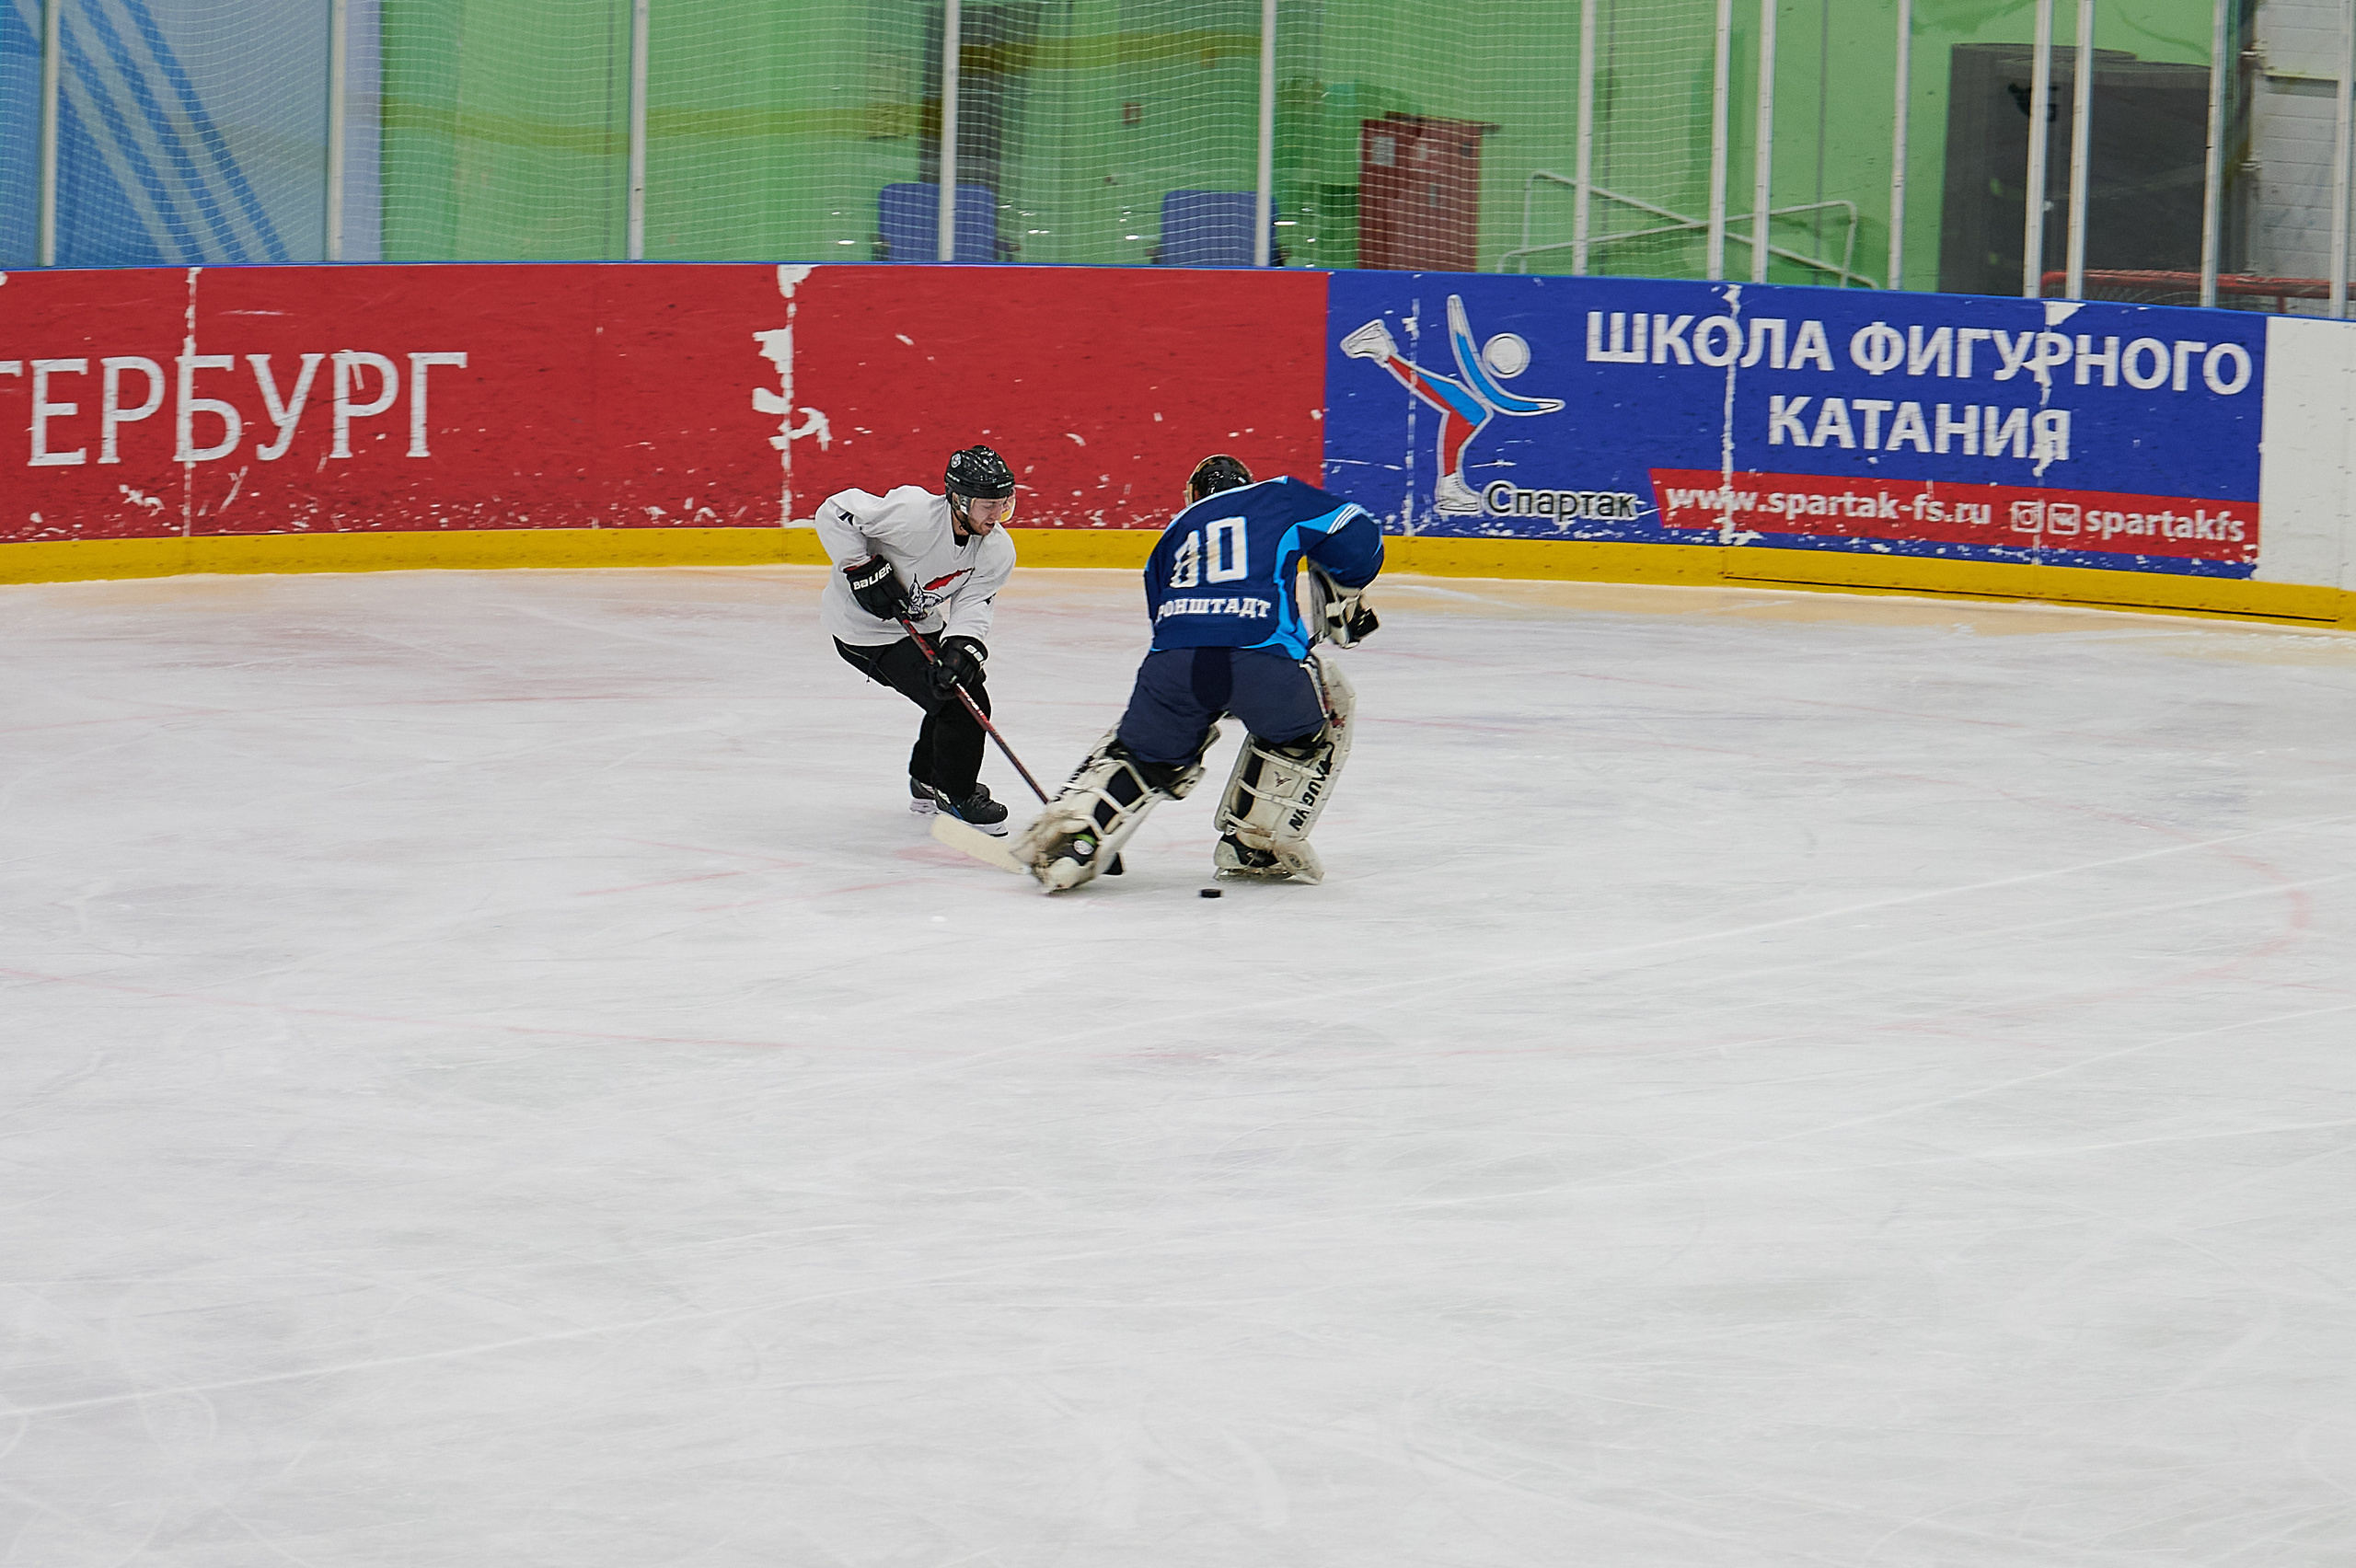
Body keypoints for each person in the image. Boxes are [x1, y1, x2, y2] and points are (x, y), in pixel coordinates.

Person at [1010, 454, 1383, 891]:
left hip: (1176, 664)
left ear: (1192, 495)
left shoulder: (1174, 532)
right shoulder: (1277, 496)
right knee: (1318, 718)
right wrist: (1345, 582)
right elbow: (1358, 532)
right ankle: (1256, 844)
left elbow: (1161, 614)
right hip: (1262, 660)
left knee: (1145, 756)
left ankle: (1075, 839)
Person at [820, 444, 1020, 834]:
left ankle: (928, 778)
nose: (996, 515)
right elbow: (835, 511)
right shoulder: (912, 515)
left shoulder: (996, 549)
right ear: (958, 500)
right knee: (963, 705)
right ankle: (955, 792)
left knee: (958, 684)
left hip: (919, 623)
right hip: (863, 631)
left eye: (1003, 503)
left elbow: (974, 602)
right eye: (986, 505)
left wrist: (962, 648)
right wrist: (859, 567)